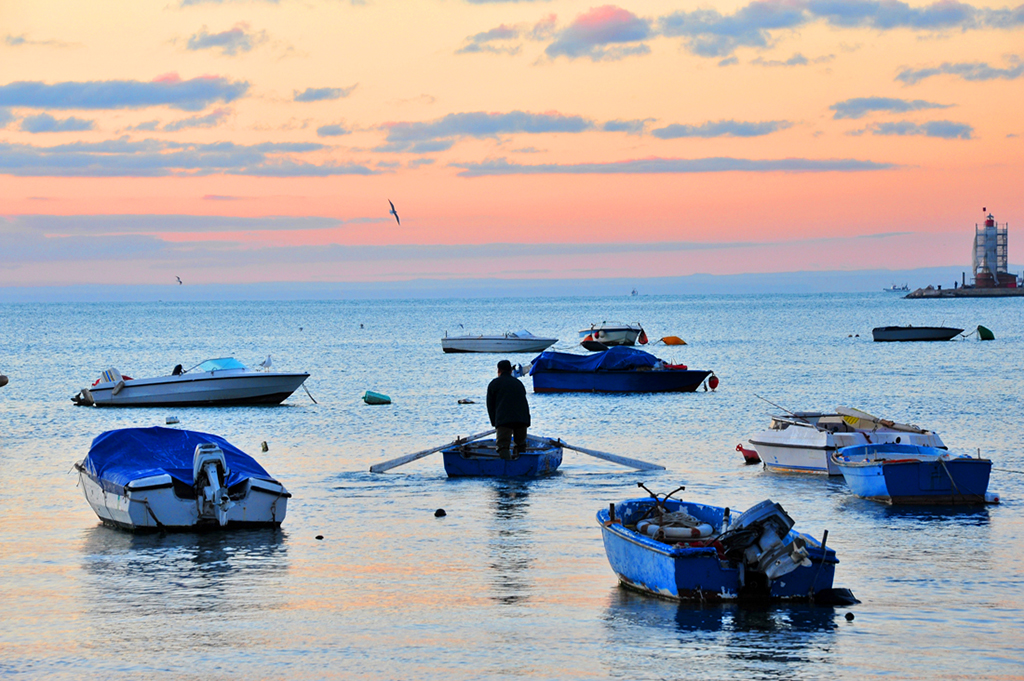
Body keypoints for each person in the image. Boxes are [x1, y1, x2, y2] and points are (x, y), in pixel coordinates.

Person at [486, 359, 531, 460]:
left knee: (502, 447)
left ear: (499, 370)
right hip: (521, 419)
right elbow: (524, 403)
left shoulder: (494, 384)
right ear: (511, 371)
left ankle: (508, 465)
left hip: (504, 420)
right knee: (520, 445)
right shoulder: (518, 383)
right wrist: (527, 421)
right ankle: (520, 465)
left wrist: (495, 423)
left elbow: (490, 406)